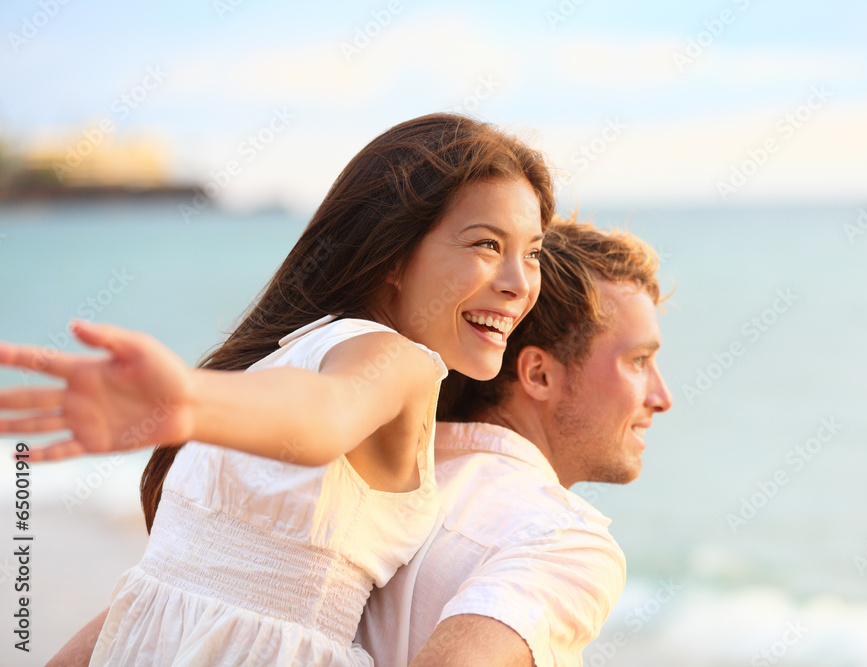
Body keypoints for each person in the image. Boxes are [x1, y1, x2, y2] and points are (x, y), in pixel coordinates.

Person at [0, 113, 554, 666]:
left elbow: (323, 416)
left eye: (532, 252)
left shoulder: (341, 360)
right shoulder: (363, 356)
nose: (519, 283)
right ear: (392, 252)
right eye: (486, 244)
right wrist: (189, 402)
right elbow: (152, 595)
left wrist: (190, 401)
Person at [358, 218, 673, 666]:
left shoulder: (368, 477)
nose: (662, 398)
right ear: (539, 374)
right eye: (638, 361)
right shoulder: (558, 539)